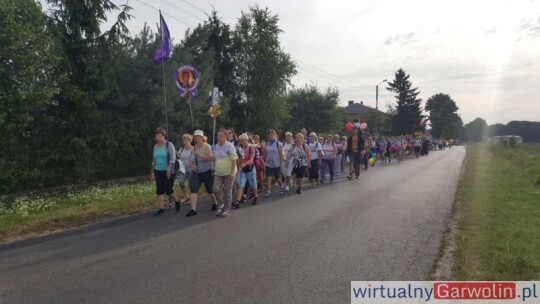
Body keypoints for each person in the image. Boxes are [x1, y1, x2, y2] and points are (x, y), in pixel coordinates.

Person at [150, 127, 180, 216]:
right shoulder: (155, 147)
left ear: (164, 135)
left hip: (168, 170)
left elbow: (173, 158)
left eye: (159, 135)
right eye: (156, 136)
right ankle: (161, 208)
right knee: (159, 189)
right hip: (158, 170)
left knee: (168, 189)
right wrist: (152, 172)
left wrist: (169, 169)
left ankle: (177, 201)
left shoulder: (169, 145)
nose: (157, 137)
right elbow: (153, 161)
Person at [186, 130, 217, 217]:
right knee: (193, 189)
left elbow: (210, 158)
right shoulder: (193, 148)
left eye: (198, 137)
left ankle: (215, 202)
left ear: (202, 138)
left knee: (209, 189)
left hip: (207, 171)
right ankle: (193, 209)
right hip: (196, 172)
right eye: (195, 137)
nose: (197, 138)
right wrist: (193, 166)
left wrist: (199, 155)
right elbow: (190, 160)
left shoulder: (206, 146)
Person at [212, 129, 238, 217]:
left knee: (227, 191)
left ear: (225, 136)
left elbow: (234, 160)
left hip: (228, 172)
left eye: (220, 135)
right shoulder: (215, 146)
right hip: (218, 172)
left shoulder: (229, 146)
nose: (218, 137)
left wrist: (232, 173)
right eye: (217, 135)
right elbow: (215, 158)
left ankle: (227, 209)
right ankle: (222, 203)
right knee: (215, 189)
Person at [235, 133, 259, 206]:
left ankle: (255, 197)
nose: (242, 142)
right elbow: (238, 159)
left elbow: (251, 159)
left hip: (250, 168)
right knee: (241, 184)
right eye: (241, 141)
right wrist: (238, 164)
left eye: (244, 141)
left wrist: (245, 164)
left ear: (247, 140)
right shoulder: (239, 149)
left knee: (253, 184)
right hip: (242, 169)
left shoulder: (251, 148)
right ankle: (238, 201)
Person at [263, 129, 284, 197]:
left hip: (276, 163)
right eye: (270, 134)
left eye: (272, 134)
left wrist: (281, 164)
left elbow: (281, 155)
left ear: (275, 135)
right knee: (268, 178)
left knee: (277, 178)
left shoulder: (278, 143)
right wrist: (264, 162)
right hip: (268, 163)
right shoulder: (266, 143)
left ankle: (281, 185)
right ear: (268, 135)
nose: (271, 136)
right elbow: (265, 154)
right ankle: (268, 191)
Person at [177, 134, 193, 205]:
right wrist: (177, 156)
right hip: (183, 169)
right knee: (181, 182)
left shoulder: (193, 148)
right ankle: (186, 196)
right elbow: (179, 157)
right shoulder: (182, 149)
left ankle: (192, 199)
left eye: (186, 140)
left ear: (190, 141)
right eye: (183, 141)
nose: (184, 142)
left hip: (191, 169)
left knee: (191, 185)